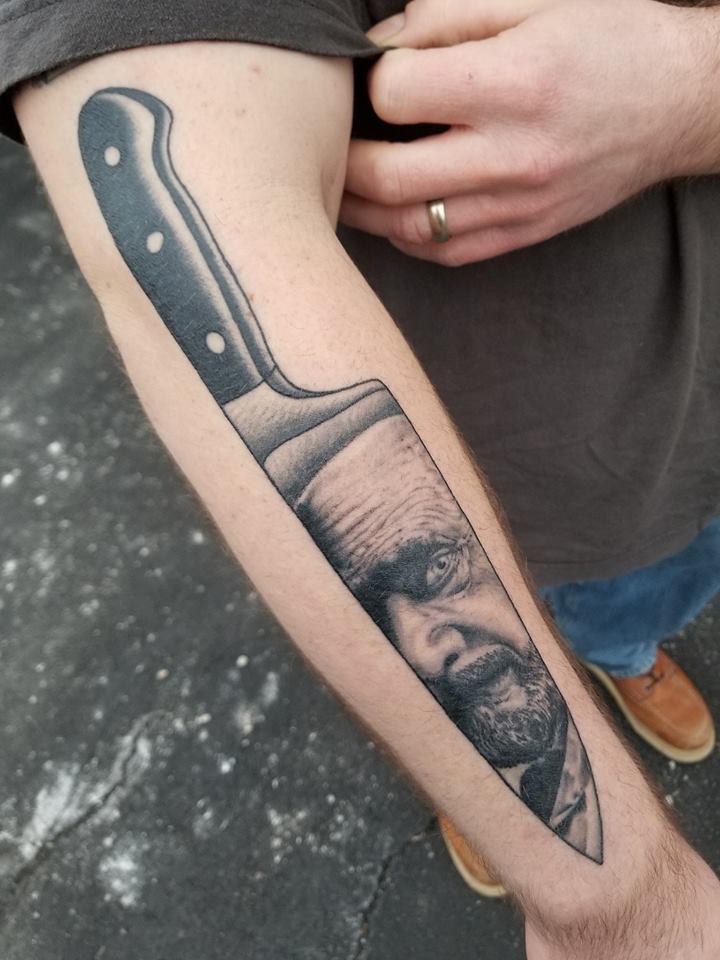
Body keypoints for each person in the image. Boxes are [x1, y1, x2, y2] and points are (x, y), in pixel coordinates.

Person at [1, 0, 719, 955]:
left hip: (686, 407)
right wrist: (616, 906)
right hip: (484, 440)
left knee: (644, 595)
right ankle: (488, 786)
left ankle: (621, 664)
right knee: (466, 691)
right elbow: (189, 157)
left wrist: (694, 87)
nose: (430, 637)